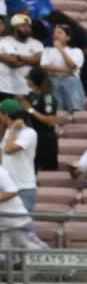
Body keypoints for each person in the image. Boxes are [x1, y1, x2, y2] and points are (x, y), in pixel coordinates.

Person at [0, 97, 43, 247]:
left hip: (23, 187)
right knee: (8, 234)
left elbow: (9, 150)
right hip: (7, 188)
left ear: (5, 114)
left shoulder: (29, 133)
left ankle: (42, 260)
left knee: (26, 235)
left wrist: (11, 130)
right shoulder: (7, 133)